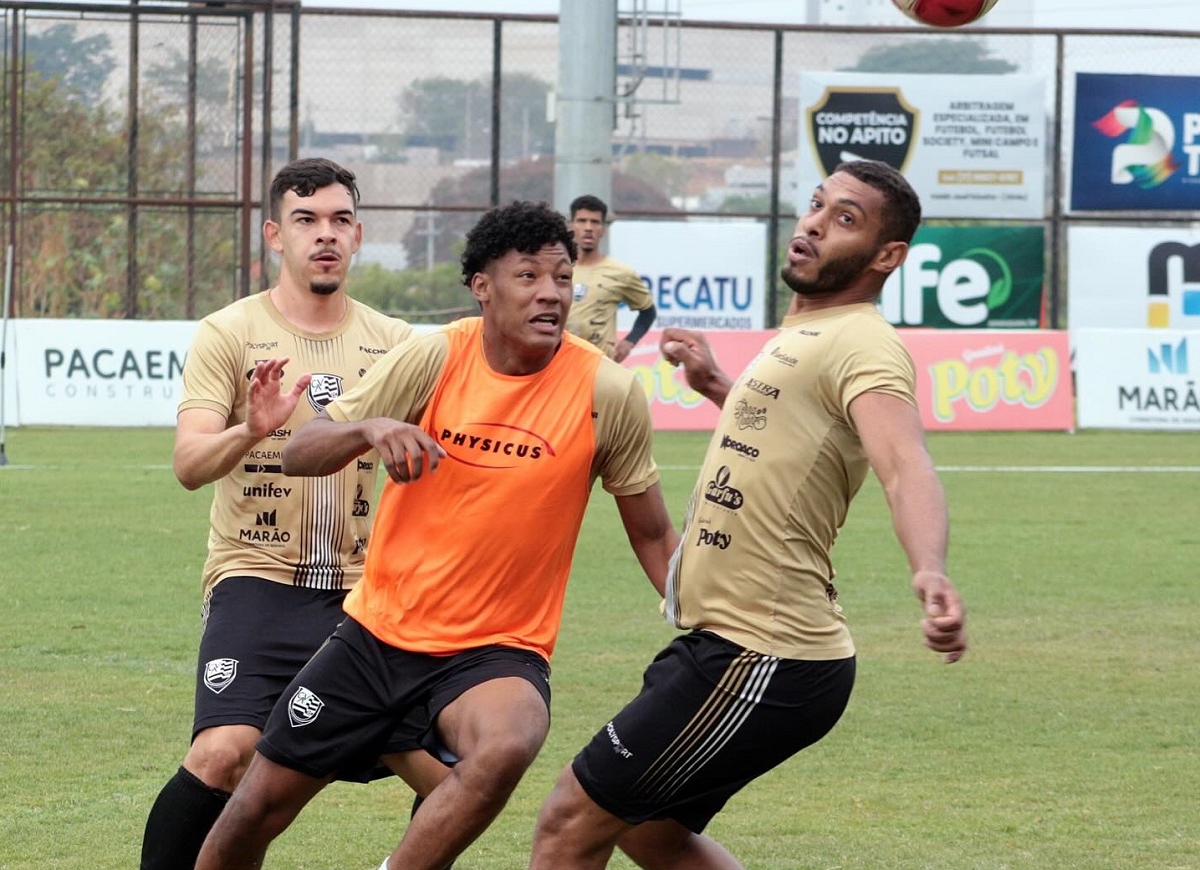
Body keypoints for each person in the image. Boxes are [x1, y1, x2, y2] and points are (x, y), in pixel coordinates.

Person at [193, 199, 679, 870]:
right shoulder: (435, 357)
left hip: (496, 649)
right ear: (483, 285)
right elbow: (304, 448)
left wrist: (705, 613)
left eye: (563, 278)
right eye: (528, 276)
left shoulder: (606, 389)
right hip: (376, 636)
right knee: (252, 811)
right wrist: (369, 429)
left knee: (508, 742)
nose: (550, 293)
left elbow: (652, 531)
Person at [527, 159, 969, 870]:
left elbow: (902, 461)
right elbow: (797, 436)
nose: (815, 223)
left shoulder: (864, 342)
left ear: (888, 256)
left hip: (763, 651)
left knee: (568, 821)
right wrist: (717, 387)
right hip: (736, 642)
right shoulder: (812, 330)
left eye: (845, 219)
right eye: (818, 204)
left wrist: (929, 568)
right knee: (649, 831)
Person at [140, 157, 450, 870]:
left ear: (359, 234)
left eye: (340, 220)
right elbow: (189, 466)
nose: (325, 235)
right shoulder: (228, 332)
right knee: (222, 752)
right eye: (307, 221)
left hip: (366, 593)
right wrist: (252, 427)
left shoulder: (400, 343)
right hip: (257, 579)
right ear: (275, 235)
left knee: (453, 777)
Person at [565, 194, 656, 362]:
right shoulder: (559, 269)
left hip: (599, 363)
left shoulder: (620, 272)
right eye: (582, 221)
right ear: (572, 225)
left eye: (595, 222)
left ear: (603, 229)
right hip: (560, 361)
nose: (588, 228)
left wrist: (630, 341)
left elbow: (648, 312)